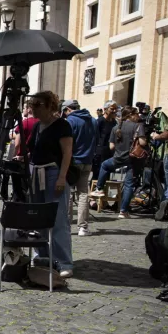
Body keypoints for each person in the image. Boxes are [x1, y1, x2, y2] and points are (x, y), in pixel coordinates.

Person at [25, 91, 74, 278]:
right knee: (38, 218)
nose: (33, 108)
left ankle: (64, 262)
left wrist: (62, 177)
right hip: (36, 172)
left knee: (58, 219)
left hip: (53, 173)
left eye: (37, 104)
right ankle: (42, 257)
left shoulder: (62, 125)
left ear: (48, 105)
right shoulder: (38, 126)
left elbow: (67, 153)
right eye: (32, 104)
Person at [91, 107, 148, 220]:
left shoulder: (116, 127)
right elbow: (142, 142)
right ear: (131, 115)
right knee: (128, 185)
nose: (138, 116)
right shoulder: (137, 126)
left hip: (118, 158)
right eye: (136, 114)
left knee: (104, 165)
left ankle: (99, 188)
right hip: (132, 158)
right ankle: (123, 211)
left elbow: (111, 146)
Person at [63, 99, 97, 236]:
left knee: (70, 193)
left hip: (73, 161)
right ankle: (83, 227)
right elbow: (97, 140)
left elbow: (67, 143)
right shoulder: (93, 120)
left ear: (68, 109)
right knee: (83, 193)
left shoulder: (70, 121)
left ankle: (67, 225)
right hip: (87, 160)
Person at [93, 103, 117, 182]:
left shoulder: (114, 122)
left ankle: (105, 192)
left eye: (115, 109)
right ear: (105, 109)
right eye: (112, 109)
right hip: (99, 152)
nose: (114, 111)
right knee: (98, 175)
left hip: (109, 152)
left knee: (107, 175)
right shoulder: (99, 121)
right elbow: (94, 136)